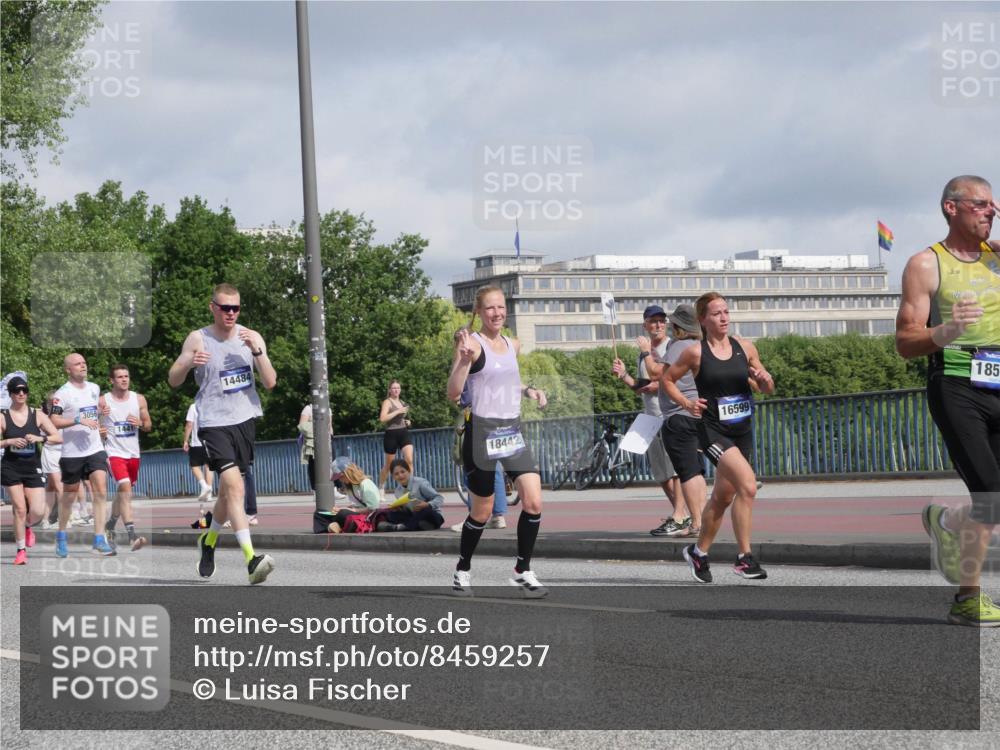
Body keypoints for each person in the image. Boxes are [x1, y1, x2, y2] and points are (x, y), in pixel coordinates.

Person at [897, 175, 1000, 626]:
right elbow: (904, 341)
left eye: (994, 206)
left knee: (992, 501)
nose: (990, 212)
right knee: (991, 493)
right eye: (980, 205)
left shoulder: (998, 258)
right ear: (951, 208)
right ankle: (967, 599)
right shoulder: (926, 263)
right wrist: (946, 331)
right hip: (956, 386)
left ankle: (947, 521)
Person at [662, 292, 775, 583]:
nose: (723, 317)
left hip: (742, 429)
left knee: (724, 496)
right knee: (747, 486)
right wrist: (686, 404)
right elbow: (667, 380)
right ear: (703, 320)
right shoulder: (695, 353)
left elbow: (766, 387)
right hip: (712, 431)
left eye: (726, 312)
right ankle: (744, 558)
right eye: (716, 314)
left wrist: (764, 381)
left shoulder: (745, 347)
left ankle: (698, 553)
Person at [168, 283, 276, 584]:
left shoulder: (250, 338)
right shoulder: (198, 338)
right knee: (235, 489)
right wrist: (189, 362)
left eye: (236, 308)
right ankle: (251, 559)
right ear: (212, 307)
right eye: (225, 307)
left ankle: (209, 541)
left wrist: (257, 351)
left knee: (230, 493)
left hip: (244, 420)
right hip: (213, 422)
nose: (231, 313)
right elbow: (173, 379)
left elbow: (269, 382)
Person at [446, 285, 549, 597]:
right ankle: (462, 568)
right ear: (478, 312)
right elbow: (453, 393)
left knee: (533, 501)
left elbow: (508, 380)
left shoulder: (512, 344)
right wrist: (463, 362)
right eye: (490, 308)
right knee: (482, 511)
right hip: (482, 431)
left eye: (501, 307)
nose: (497, 313)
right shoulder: (472, 345)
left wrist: (529, 389)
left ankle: (522, 569)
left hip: (510, 431)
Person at [613, 304, 687, 536]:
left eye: (661, 321)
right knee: (661, 474)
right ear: (645, 325)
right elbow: (641, 387)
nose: (658, 325)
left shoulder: (671, 347)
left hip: (670, 415)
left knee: (675, 470)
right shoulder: (641, 355)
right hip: (650, 417)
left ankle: (680, 515)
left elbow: (659, 382)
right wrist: (624, 375)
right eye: (653, 321)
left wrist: (646, 355)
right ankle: (682, 514)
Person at [48, 353, 115, 557]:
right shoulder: (63, 394)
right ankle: (61, 535)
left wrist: (102, 411)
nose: (83, 366)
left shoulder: (94, 388)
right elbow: (54, 420)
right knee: (69, 495)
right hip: (72, 453)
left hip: (94, 448)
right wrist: (77, 420)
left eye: (84, 363)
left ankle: (99, 538)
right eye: (78, 364)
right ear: (68, 369)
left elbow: (94, 412)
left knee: (101, 490)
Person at [653, 304, 707, 539]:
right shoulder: (702, 346)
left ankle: (696, 523)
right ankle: (701, 520)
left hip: (679, 415)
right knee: (696, 469)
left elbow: (661, 377)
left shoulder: (678, 347)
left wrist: (646, 353)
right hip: (698, 414)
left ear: (679, 327)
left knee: (688, 472)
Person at [1, 377, 62, 564]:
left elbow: (57, 437)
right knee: (19, 509)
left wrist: (39, 438)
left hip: (32, 467)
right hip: (10, 467)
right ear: (11, 393)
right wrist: (8, 441)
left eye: (24, 390)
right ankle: (21, 551)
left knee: (36, 510)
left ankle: (28, 526)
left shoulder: (37, 415)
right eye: (17, 391)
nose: (21, 394)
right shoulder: (3, 416)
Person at [102, 364, 152, 551]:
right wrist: (99, 422)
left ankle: (110, 526)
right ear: (112, 381)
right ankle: (132, 535)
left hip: (133, 453)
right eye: (120, 377)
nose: (124, 379)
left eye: (126, 376)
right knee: (124, 488)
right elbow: (91, 425)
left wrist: (140, 422)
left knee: (123, 493)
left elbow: (148, 425)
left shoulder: (138, 399)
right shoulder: (103, 401)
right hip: (114, 453)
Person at [316, 457, 382, 533]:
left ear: (348, 473)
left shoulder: (366, 483)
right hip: (355, 514)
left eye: (341, 477)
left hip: (366, 517)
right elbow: (355, 505)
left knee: (342, 513)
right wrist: (343, 508)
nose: (340, 480)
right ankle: (332, 526)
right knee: (318, 512)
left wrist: (351, 510)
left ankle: (331, 526)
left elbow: (372, 508)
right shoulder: (350, 486)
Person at [381, 457, 445, 531]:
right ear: (393, 477)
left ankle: (403, 527)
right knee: (391, 514)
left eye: (403, 472)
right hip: (414, 516)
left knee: (425, 510)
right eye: (396, 474)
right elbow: (407, 510)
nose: (400, 476)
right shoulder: (397, 491)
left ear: (409, 471)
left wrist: (428, 504)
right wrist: (399, 508)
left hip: (432, 516)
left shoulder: (421, 483)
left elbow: (440, 498)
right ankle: (420, 525)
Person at [298, 402, 346, 500]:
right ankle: (316, 492)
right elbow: (302, 425)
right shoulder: (308, 408)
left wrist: (331, 436)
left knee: (332, 463)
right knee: (314, 465)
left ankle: (334, 489)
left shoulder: (328, 408)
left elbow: (329, 425)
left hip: (327, 439)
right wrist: (315, 431)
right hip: (312, 441)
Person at [378, 380, 414, 491]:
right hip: (391, 434)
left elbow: (401, 419)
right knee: (389, 465)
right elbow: (382, 418)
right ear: (389, 390)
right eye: (393, 388)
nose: (396, 390)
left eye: (398, 388)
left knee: (409, 460)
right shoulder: (387, 402)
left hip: (403, 432)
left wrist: (408, 422)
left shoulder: (402, 402)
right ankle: (381, 488)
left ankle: (411, 486)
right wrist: (397, 412)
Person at [183, 401, 214, 512]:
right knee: (208, 465)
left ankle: (204, 486)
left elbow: (189, 424)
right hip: (211, 441)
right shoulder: (212, 404)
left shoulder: (194, 406)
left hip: (197, 442)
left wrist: (186, 440)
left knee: (194, 466)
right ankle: (209, 491)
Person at [39, 391, 63, 529]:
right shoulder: (45, 418)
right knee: (59, 487)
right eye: (52, 402)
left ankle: (45, 519)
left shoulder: (66, 415)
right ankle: (62, 519)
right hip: (51, 453)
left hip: (64, 454)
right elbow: (46, 437)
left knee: (51, 487)